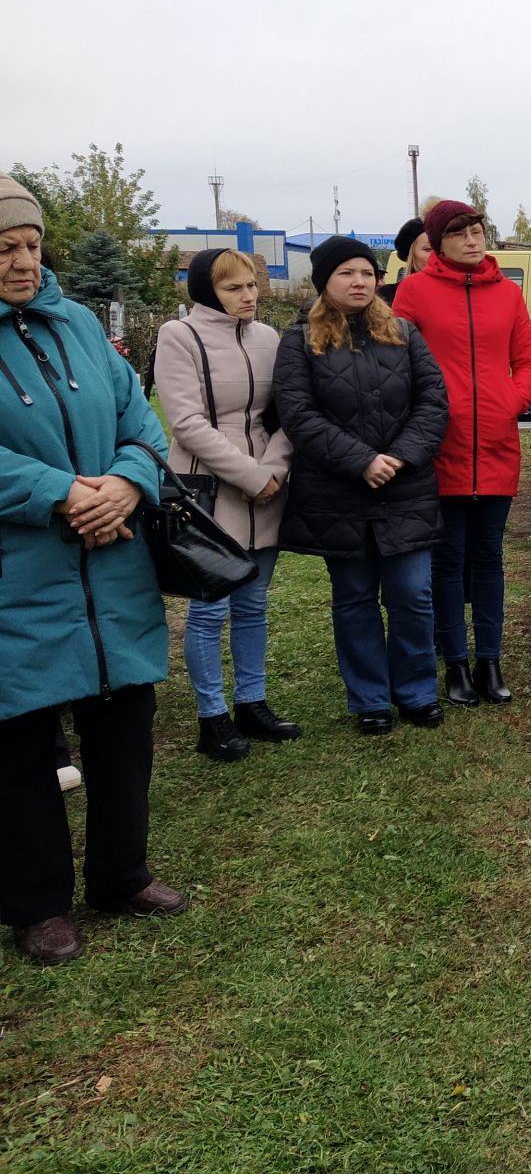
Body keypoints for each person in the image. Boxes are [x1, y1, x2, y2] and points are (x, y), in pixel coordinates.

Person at [0, 176, 186, 966]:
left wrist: (125, 482)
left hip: (112, 563)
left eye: (32, 245)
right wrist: (59, 492)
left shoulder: (77, 324)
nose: (23, 261)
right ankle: (37, 904)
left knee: (123, 728)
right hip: (20, 575)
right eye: (5, 248)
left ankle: (122, 873)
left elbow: (139, 419)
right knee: (17, 749)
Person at [276, 238, 449, 734]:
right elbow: (298, 414)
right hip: (338, 493)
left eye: (366, 274)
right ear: (324, 283)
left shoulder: (404, 333)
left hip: (405, 488)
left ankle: (416, 690)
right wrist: (361, 461)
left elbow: (432, 401)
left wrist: (399, 456)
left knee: (413, 595)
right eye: (346, 274)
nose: (359, 282)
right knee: (354, 599)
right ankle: (370, 698)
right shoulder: (300, 340)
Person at [392, 199, 531, 707]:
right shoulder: (414, 292)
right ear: (437, 242)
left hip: (497, 446)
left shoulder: (508, 295)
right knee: (447, 560)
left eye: (479, 231)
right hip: (440, 448)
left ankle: (490, 661)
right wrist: (428, 415)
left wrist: (511, 400)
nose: (474, 241)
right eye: (461, 234)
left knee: (489, 558)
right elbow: (397, 364)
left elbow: (528, 360)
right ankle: (454, 663)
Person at [152, 249, 298, 762]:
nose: (249, 295)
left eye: (253, 284)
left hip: (267, 493)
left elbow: (284, 414)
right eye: (234, 287)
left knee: (254, 606)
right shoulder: (180, 336)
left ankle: (251, 702)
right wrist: (250, 475)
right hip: (211, 493)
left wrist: (273, 471)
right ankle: (211, 715)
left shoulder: (268, 338)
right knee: (210, 609)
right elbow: (188, 424)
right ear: (206, 291)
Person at [375, 217, 431, 303]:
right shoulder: (386, 297)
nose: (436, 255)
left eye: (440, 248)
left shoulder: (457, 293)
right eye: (428, 249)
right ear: (411, 255)